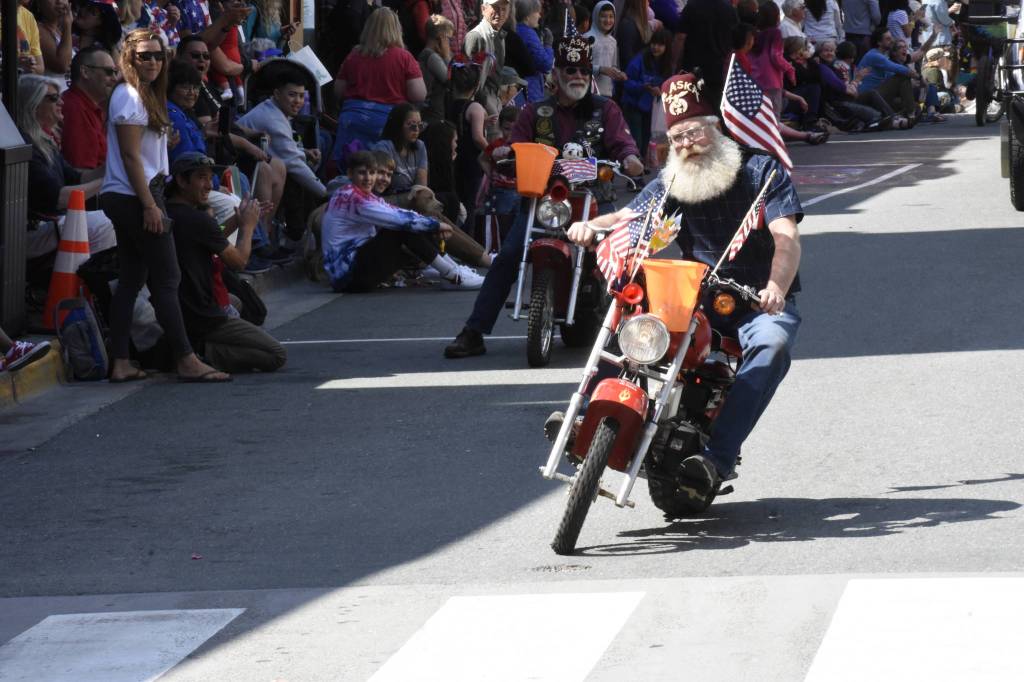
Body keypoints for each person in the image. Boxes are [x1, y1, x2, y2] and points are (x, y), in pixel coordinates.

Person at [564, 72, 802, 500]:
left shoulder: (763, 171)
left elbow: (785, 237)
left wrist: (775, 288)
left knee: (772, 347)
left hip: (758, 300)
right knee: (631, 313)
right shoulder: (675, 179)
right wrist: (589, 226)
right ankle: (586, 417)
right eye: (676, 138)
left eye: (693, 133)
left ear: (716, 127)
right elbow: (627, 219)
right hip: (696, 294)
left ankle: (716, 459)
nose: (686, 145)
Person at [443, 30, 643, 358]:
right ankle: (474, 331)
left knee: (621, 259)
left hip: (594, 202)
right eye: (569, 70)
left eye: (583, 71)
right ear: (556, 74)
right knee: (507, 256)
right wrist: (503, 152)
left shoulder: (606, 110)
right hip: (543, 201)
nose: (577, 76)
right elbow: (516, 145)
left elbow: (623, 143)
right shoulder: (535, 112)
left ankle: (632, 334)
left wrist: (631, 158)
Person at [100, 29, 230, 383]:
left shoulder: (143, 96)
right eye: (145, 55)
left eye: (158, 55)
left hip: (136, 192)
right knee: (167, 278)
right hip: (135, 195)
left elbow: (140, 151)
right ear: (129, 58)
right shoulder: (128, 96)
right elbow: (129, 156)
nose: (153, 62)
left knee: (131, 280)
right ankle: (186, 358)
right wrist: (149, 205)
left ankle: (122, 361)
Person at [165, 152, 287, 373]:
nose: (208, 185)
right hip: (202, 314)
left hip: (183, 305)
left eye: (210, 178)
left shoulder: (168, 212)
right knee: (275, 355)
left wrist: (238, 220)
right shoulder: (198, 219)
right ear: (181, 181)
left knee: (237, 302)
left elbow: (212, 237)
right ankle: (203, 352)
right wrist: (248, 227)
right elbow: (239, 261)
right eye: (201, 178)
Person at [320, 150, 485, 292]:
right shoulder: (352, 197)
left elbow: (395, 211)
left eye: (372, 172)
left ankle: (450, 270)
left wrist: (431, 224)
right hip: (349, 278)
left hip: (352, 273)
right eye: (362, 173)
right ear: (350, 174)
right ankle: (452, 276)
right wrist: (436, 225)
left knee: (414, 222)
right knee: (403, 227)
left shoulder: (358, 193)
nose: (368, 178)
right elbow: (397, 219)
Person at [18, 74, 117, 261]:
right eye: (54, 98)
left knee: (113, 217)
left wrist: (114, 165)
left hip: (51, 225)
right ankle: (88, 281)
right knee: (105, 223)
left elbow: (77, 178)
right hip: (27, 233)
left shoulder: (45, 140)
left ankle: (88, 283)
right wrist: (108, 179)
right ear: (33, 104)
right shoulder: (25, 144)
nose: (61, 102)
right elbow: (60, 198)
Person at [332, 7, 426, 167]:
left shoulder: (354, 55)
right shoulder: (404, 57)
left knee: (351, 169)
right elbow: (419, 94)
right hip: (386, 125)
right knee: (382, 172)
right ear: (397, 29)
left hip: (352, 123)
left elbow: (338, 91)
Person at [239, 65, 328, 201]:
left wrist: (304, 152)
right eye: (292, 95)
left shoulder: (273, 108)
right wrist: (327, 195)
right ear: (276, 94)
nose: (298, 101)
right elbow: (295, 165)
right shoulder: (273, 120)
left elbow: (285, 149)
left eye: (301, 96)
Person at [61, 45, 119, 170]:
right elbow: (82, 170)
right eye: (108, 72)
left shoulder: (91, 106)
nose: (115, 79)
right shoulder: (74, 109)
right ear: (85, 72)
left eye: (116, 72)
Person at [621, 27, 671, 158]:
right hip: (633, 104)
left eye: (660, 45)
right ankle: (635, 167)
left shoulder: (666, 64)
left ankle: (641, 164)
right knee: (636, 139)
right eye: (654, 43)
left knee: (646, 139)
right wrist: (644, 87)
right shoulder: (639, 60)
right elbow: (626, 82)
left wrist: (661, 90)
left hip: (650, 108)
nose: (656, 47)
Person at [677, 0, 738, 108]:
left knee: (691, 109)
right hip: (718, 69)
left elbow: (681, 37)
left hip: (692, 67)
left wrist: (675, 62)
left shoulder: (692, 6)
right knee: (714, 109)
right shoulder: (729, 9)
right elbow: (734, 41)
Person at [857, 28, 918, 124]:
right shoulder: (874, 55)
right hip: (869, 97)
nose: (892, 41)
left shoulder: (883, 56)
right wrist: (918, 77)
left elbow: (891, 76)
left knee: (914, 105)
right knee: (903, 76)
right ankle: (910, 115)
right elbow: (898, 69)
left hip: (880, 94)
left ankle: (907, 114)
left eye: (891, 38)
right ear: (879, 42)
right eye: (888, 39)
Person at [373, 103, 428, 194]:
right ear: (397, 125)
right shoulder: (384, 148)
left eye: (420, 125)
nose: (416, 129)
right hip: (388, 200)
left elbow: (421, 188)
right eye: (411, 124)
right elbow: (379, 188)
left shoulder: (420, 146)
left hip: (413, 199)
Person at [419, 14, 455, 124]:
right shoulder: (431, 56)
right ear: (441, 38)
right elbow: (451, 79)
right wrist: (446, 55)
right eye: (448, 39)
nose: (450, 43)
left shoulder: (427, 54)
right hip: (433, 115)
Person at [585, 1, 625, 97]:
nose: (608, 20)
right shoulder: (587, 38)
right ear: (595, 17)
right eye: (603, 16)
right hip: (589, 90)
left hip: (607, 92)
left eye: (611, 16)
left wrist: (619, 73)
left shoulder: (613, 41)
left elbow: (613, 66)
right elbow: (581, 66)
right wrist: (600, 69)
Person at [515, 0, 553, 103]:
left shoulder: (515, 29)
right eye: (537, 12)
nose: (539, 16)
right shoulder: (528, 34)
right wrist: (548, 45)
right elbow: (546, 64)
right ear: (527, 15)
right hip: (530, 90)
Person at [33, 0, 74, 89]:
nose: (59, 1)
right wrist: (68, 25)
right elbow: (62, 65)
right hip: (51, 97)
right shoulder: (37, 29)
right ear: (39, 3)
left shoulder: (59, 31)